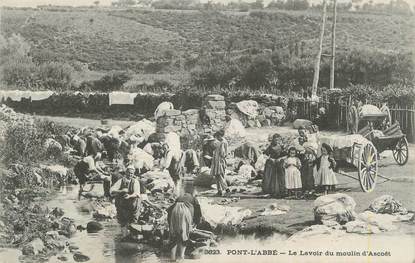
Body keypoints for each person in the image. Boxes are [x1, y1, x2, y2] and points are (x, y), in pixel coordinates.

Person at [167, 180, 202, 262]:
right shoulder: (194, 199)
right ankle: (181, 257)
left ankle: (172, 258)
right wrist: (195, 224)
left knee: (174, 234)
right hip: (185, 212)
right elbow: (198, 213)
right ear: (193, 191)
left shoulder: (179, 197)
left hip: (175, 212)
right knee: (184, 234)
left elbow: (170, 210)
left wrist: (170, 225)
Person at [110, 165, 141, 238]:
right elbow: (111, 190)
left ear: (133, 174)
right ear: (126, 172)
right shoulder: (120, 181)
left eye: (132, 173)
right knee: (123, 221)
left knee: (133, 221)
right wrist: (121, 191)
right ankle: (124, 236)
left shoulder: (135, 182)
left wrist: (130, 196)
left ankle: (132, 236)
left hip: (133, 204)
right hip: (122, 204)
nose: (130, 175)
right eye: (129, 173)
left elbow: (137, 193)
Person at [210, 130, 229, 196]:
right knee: (217, 175)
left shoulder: (222, 143)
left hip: (220, 161)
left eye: (217, 137)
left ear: (220, 136)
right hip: (217, 160)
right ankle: (219, 190)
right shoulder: (221, 142)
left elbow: (223, 153)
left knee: (219, 175)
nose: (217, 138)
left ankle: (226, 188)